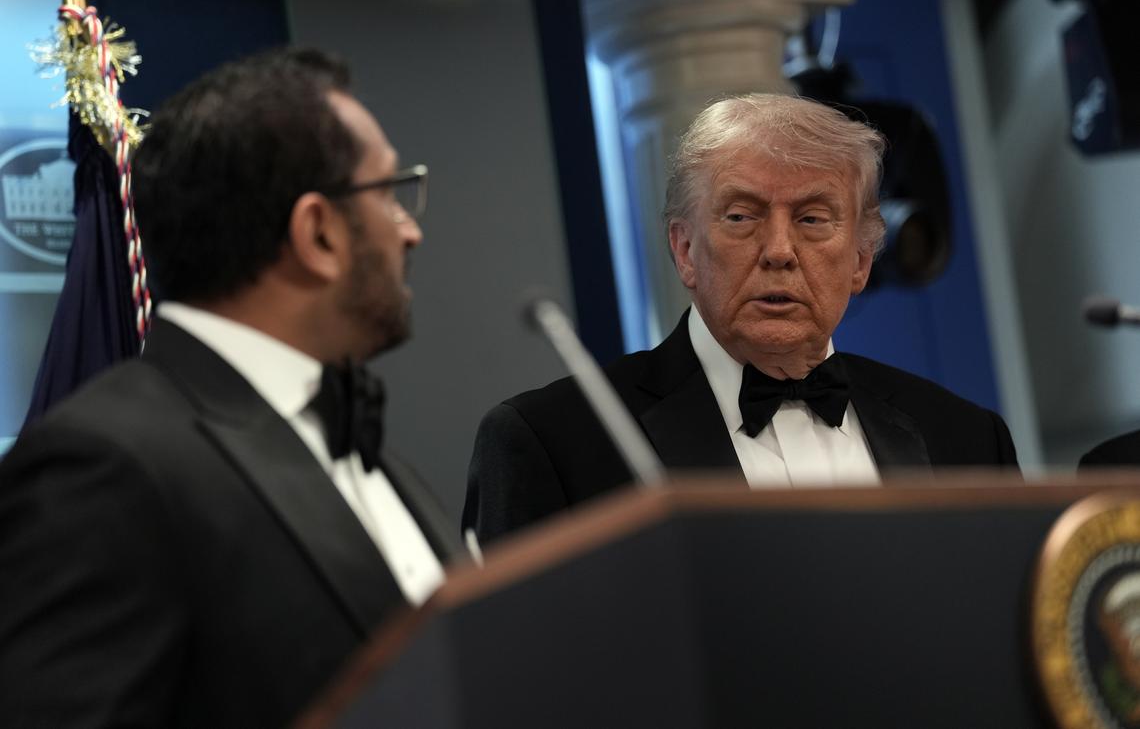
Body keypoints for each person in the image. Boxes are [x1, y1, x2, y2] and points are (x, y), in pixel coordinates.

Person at [0, 48, 463, 727]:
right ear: (318, 233)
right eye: (390, 194)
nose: (411, 230)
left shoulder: (370, 449)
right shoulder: (101, 464)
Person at [463, 93, 1019, 544]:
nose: (779, 249)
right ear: (684, 251)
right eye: (741, 216)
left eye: (813, 218)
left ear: (860, 260)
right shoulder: (553, 444)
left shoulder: (968, 441)